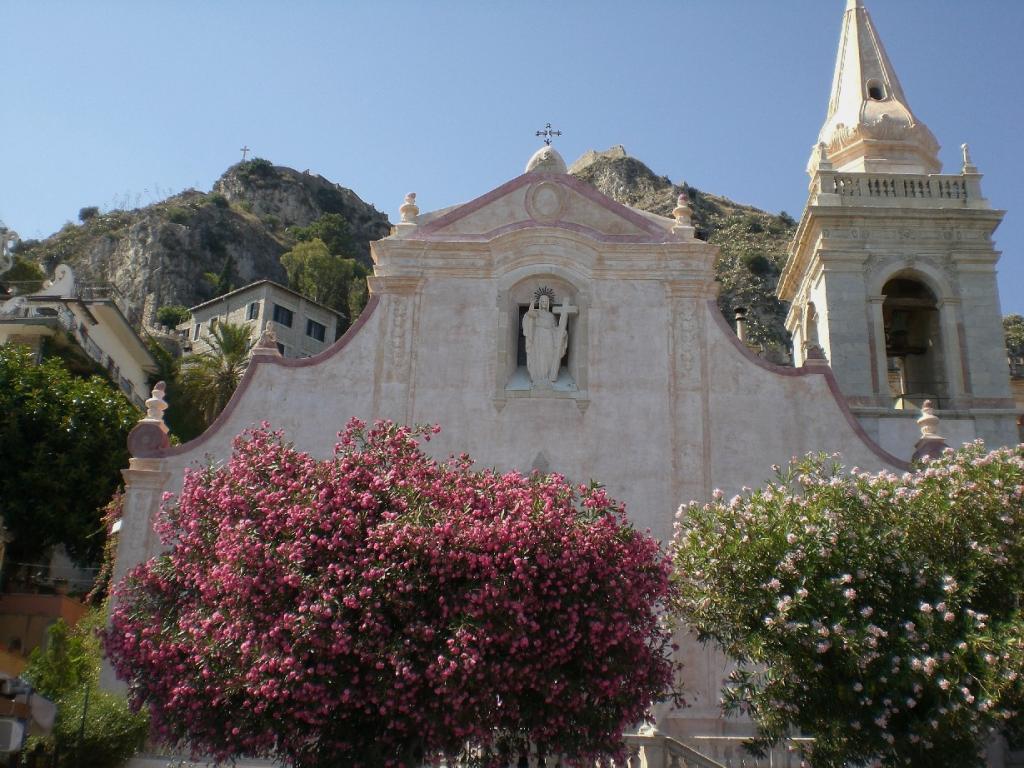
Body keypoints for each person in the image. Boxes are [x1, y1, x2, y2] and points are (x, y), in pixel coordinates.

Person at [522, 293, 567, 384]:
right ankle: (538, 375)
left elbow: (554, 328)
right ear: (539, 302)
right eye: (542, 301)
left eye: (546, 301)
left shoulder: (551, 316)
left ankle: (549, 374)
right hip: (538, 336)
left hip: (549, 337)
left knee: (549, 354)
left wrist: (561, 332)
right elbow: (530, 314)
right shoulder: (537, 313)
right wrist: (532, 304)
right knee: (539, 354)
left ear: (548, 303)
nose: (544, 303)